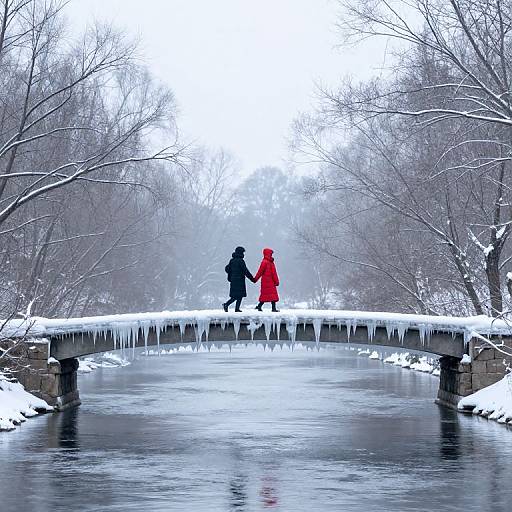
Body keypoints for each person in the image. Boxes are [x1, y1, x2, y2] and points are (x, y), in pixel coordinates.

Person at [223, 246, 254, 312]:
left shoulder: (232, 260)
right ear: (241, 252)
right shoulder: (241, 261)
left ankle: (235, 308)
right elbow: (246, 271)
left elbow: (227, 269)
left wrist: (231, 276)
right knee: (238, 295)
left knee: (236, 295)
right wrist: (252, 279)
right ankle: (227, 305)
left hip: (233, 280)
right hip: (240, 281)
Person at [253, 248, 280, 312]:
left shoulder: (267, 262)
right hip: (269, 282)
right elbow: (273, 273)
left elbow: (260, 272)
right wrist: (276, 281)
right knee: (272, 295)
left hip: (267, 282)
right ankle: (273, 308)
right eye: (271, 254)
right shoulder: (267, 262)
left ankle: (259, 306)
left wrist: (255, 279)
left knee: (266, 295)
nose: (272, 255)